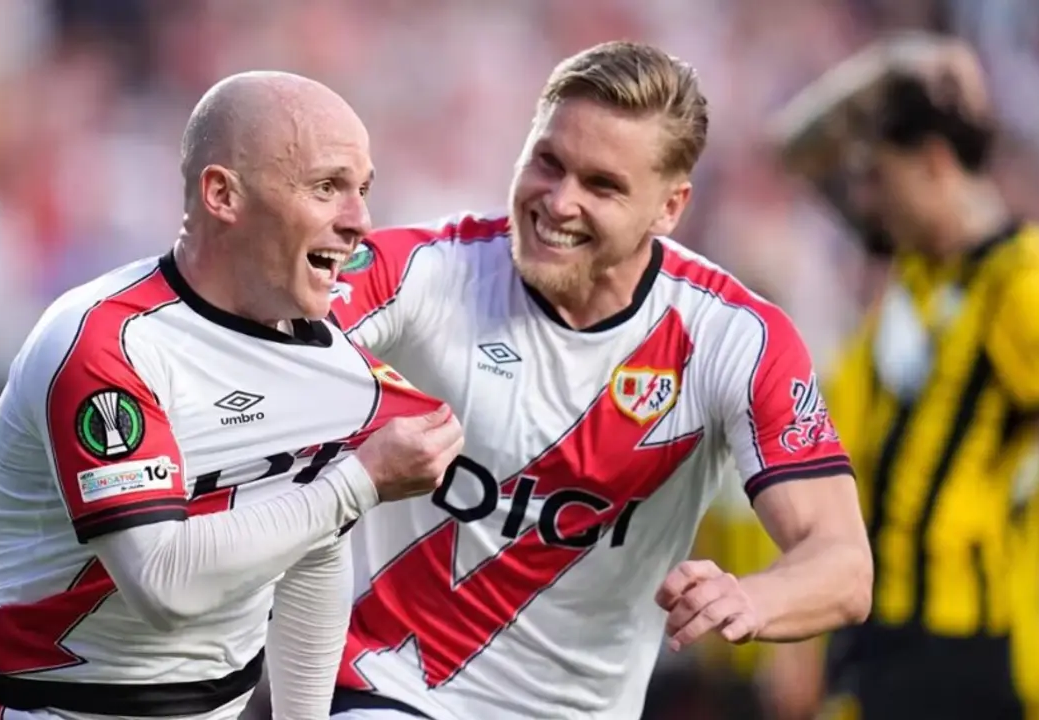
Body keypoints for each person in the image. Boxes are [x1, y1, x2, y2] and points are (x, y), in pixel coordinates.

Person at [323, 41, 873, 720]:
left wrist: (752, 598)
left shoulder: (735, 341)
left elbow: (844, 565)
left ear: (669, 208)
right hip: (392, 689)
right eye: (547, 163)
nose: (558, 202)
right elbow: (258, 339)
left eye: (601, 185)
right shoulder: (426, 273)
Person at [0, 71, 464, 720]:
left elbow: (315, 552)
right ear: (222, 194)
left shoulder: (334, 364)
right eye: (327, 187)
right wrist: (358, 481)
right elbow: (163, 586)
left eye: (363, 190)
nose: (360, 220)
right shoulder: (108, 346)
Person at [764, 33, 1039, 720]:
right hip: (879, 639)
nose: (865, 199)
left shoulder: (1025, 285)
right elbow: (795, 148)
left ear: (933, 163)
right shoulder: (918, 267)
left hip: (970, 657)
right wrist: (896, 68)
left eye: (879, 176)